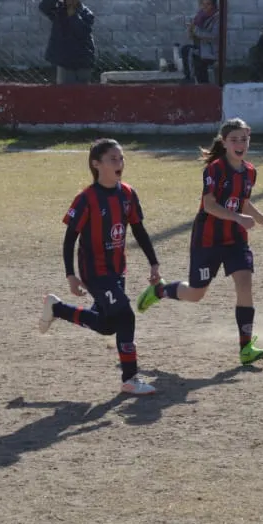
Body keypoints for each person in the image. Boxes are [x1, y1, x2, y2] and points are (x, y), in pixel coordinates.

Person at [136, 118, 263, 366]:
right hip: (208, 240)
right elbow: (209, 205)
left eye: (244, 139)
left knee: (245, 283)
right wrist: (237, 217)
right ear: (224, 143)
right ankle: (160, 291)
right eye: (234, 139)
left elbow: (244, 203)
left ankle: (246, 347)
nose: (240, 144)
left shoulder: (250, 172)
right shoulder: (215, 169)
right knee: (196, 293)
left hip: (236, 240)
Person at [39, 139, 161, 396]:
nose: (120, 163)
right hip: (94, 271)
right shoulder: (86, 199)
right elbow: (69, 240)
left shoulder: (128, 194)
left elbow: (139, 230)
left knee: (108, 325)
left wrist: (153, 262)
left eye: (121, 158)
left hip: (117, 270)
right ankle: (130, 379)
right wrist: (71, 275)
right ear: (96, 164)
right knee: (126, 315)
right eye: (113, 159)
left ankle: (57, 308)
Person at [40, 0, 96, 85]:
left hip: (82, 58)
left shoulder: (86, 13)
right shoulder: (59, 11)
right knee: (65, 89)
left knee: (83, 89)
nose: (71, 1)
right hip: (64, 59)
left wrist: (73, 16)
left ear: (79, 0)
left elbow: (82, 31)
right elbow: (43, 7)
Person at [184, 0, 220, 85]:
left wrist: (195, 30)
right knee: (186, 50)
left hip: (211, 51)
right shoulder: (200, 17)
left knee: (194, 57)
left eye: (208, 4)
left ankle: (197, 82)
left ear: (213, 6)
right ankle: (192, 80)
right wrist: (190, 30)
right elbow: (192, 36)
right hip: (202, 48)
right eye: (203, 4)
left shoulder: (217, 18)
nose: (205, 7)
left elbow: (214, 36)